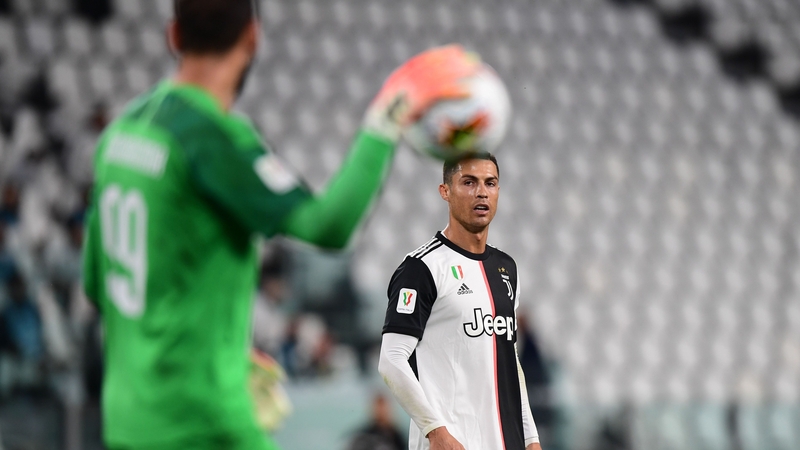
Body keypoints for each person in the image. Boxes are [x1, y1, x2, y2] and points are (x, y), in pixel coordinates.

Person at [80, 0, 481, 449]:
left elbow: (100, 284)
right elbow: (329, 224)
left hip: (128, 423)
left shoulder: (122, 134)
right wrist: (387, 117)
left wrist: (221, 348)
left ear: (173, 35)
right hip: (203, 422)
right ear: (253, 37)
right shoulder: (213, 137)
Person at [379, 155, 542, 450]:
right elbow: (391, 360)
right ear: (445, 191)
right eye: (469, 182)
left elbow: (510, 361)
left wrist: (531, 438)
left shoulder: (506, 267)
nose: (481, 192)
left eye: (490, 183)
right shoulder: (422, 268)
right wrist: (435, 432)